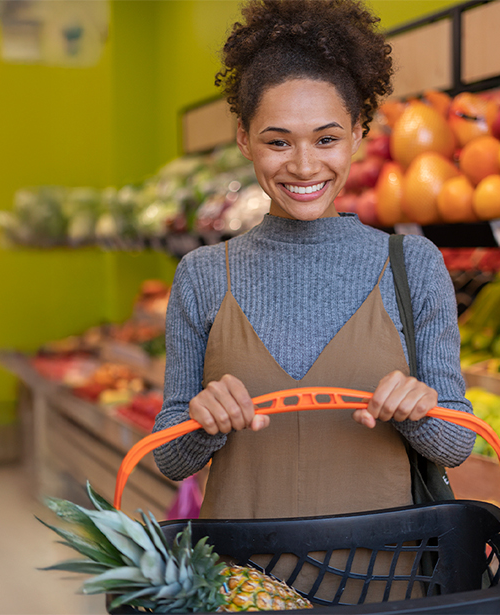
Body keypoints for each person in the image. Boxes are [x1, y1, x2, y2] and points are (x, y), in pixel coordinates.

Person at [153, 0, 474, 533]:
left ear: (358, 133)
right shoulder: (203, 274)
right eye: (277, 142)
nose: (304, 166)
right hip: (244, 582)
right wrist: (203, 422)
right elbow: (171, 458)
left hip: (385, 583)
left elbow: (458, 442)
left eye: (326, 139)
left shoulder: (412, 264)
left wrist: (421, 411)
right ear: (243, 138)